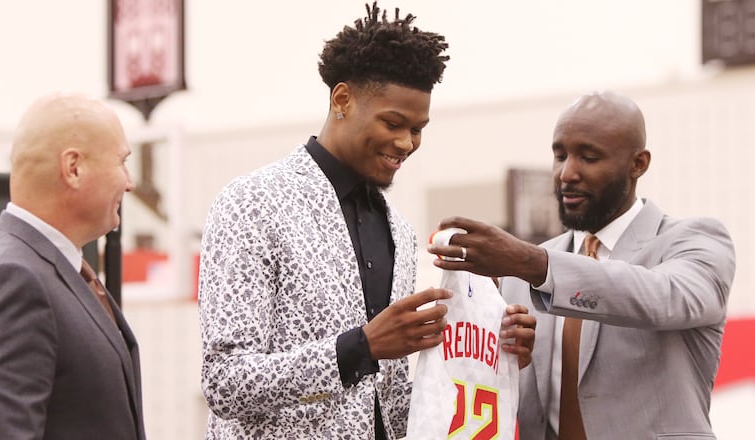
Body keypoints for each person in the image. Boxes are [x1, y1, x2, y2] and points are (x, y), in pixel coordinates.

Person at [198, 3, 535, 439]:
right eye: (393, 122)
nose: (406, 142)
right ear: (342, 99)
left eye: (418, 128)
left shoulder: (399, 228)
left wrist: (493, 354)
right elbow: (226, 383)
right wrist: (360, 348)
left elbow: (391, 405)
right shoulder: (252, 203)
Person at [428, 91, 736, 439]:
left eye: (588, 158)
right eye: (560, 156)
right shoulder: (523, 271)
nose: (566, 174)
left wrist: (534, 263)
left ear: (639, 164)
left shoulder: (694, 240)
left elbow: (666, 298)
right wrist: (509, 357)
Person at [0, 92, 145, 440]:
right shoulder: (14, 280)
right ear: (73, 168)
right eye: (122, 162)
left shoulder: (50, 269)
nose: (129, 182)